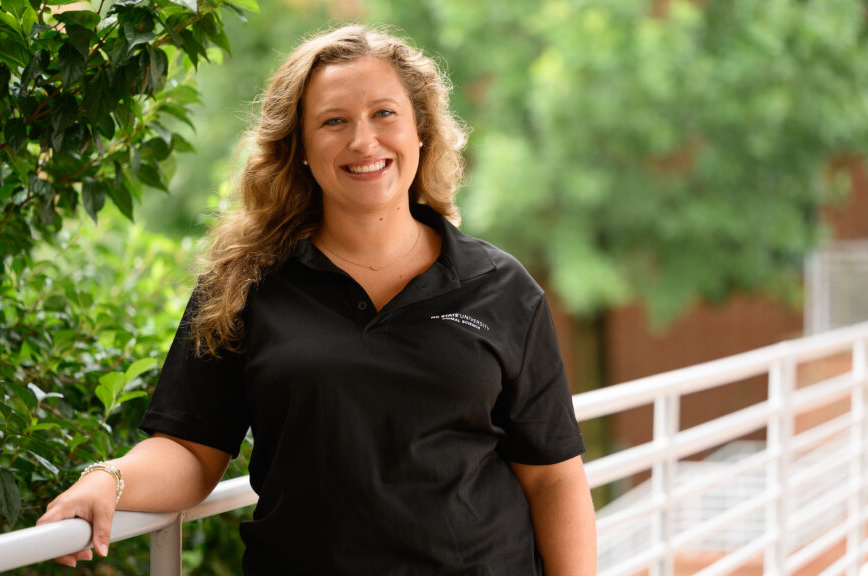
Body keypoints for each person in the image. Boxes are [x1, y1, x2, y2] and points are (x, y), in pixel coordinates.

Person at [38, 24, 596, 575]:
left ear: (420, 131)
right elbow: (190, 449)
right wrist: (108, 479)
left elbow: (552, 475)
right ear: (300, 148)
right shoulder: (243, 285)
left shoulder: (502, 287)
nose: (363, 141)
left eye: (384, 114)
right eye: (334, 121)